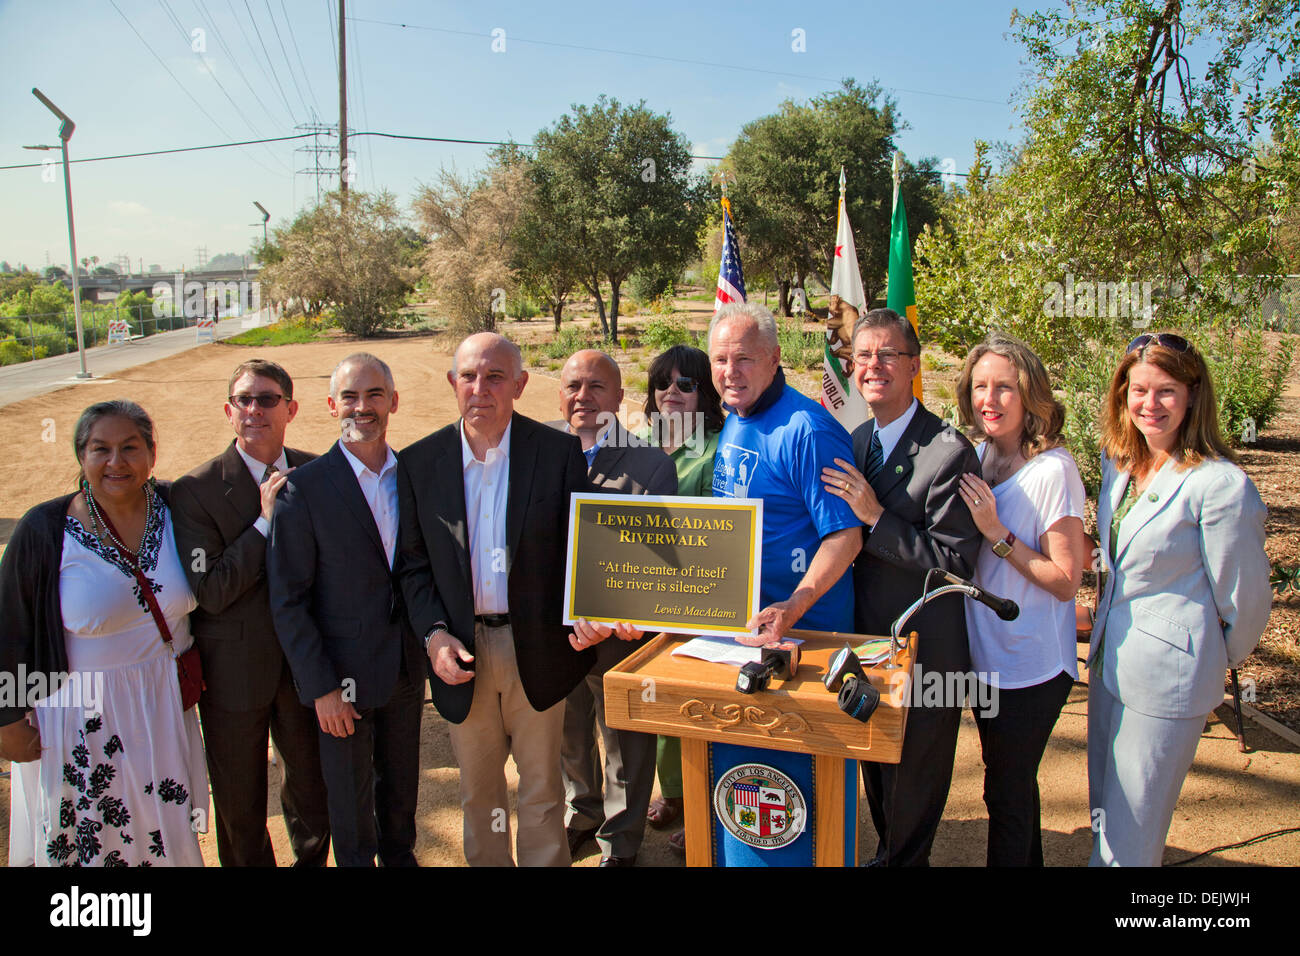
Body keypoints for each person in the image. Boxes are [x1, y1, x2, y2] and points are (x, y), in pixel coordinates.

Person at [396, 332, 592, 866]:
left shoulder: (556, 452)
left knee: (542, 792)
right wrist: (434, 635)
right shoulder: (418, 463)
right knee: (479, 797)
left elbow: (581, 551)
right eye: (468, 376)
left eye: (495, 377)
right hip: (460, 653)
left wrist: (590, 612)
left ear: (521, 385)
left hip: (538, 649)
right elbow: (412, 566)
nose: (479, 389)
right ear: (452, 383)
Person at [1089, 332, 1272, 867]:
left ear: (1193, 394)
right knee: (1106, 813)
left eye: (1165, 391)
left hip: (1167, 681)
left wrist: (1201, 657)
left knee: (1132, 839)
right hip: (1108, 662)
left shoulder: (1220, 485)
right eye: (1137, 390)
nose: (1149, 405)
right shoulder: (1118, 463)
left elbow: (1246, 602)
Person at [0, 400, 207, 866]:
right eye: (101, 449)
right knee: (92, 841)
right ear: (81, 456)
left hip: (162, 706)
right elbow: (8, 627)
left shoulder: (180, 509)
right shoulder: (45, 529)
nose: (117, 462)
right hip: (78, 717)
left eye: (130, 447)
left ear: (152, 453)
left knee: (163, 832)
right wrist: (6, 719)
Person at [821, 307, 983, 867]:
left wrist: (875, 518)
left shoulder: (948, 450)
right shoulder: (858, 437)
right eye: (863, 355)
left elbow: (955, 566)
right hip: (865, 646)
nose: (874, 365)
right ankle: (888, 855)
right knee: (877, 771)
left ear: (912, 365)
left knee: (914, 783)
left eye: (888, 354)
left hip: (926, 656)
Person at [170, 359, 330, 867]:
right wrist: (264, 522)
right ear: (228, 410)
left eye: (267, 399)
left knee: (312, 796)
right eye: (244, 399)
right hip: (232, 675)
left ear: (291, 409)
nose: (254, 409)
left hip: (306, 671)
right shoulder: (193, 490)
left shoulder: (319, 472)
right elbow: (211, 590)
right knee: (240, 807)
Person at [267, 354, 424, 867]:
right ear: (332, 405)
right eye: (350, 397)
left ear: (393, 402)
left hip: (404, 672)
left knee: (400, 794)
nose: (363, 407)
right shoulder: (303, 489)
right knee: (351, 810)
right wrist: (321, 689)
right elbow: (288, 600)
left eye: (374, 394)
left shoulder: (417, 477)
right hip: (341, 684)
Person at [952, 332, 1087, 866]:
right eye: (981, 386)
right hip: (985, 658)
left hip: (1030, 667)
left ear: (1030, 396)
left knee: (1005, 796)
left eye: (1005, 388)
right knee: (1011, 788)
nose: (990, 399)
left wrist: (997, 533)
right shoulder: (979, 456)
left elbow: (1065, 580)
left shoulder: (1054, 470)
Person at [551, 349, 677, 867]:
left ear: (620, 397)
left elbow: (658, 557)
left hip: (620, 634)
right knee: (569, 732)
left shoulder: (651, 464)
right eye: (573, 386)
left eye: (597, 387)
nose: (583, 397)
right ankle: (581, 814)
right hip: (555, 634)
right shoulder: (537, 452)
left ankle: (619, 843)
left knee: (626, 740)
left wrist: (611, 617)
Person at [708, 302, 862, 641]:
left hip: (811, 633)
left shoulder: (809, 432)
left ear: (774, 358)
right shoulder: (736, 412)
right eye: (721, 360)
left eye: (744, 359)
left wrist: (795, 605)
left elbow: (846, 537)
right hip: (746, 625)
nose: (730, 371)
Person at [639, 345, 724, 849]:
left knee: (696, 703)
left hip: (700, 597)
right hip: (639, 595)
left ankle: (704, 807)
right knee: (657, 694)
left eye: (687, 384)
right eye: (664, 383)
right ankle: (672, 791)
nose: (673, 391)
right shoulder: (635, 444)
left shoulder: (718, 449)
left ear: (704, 394)